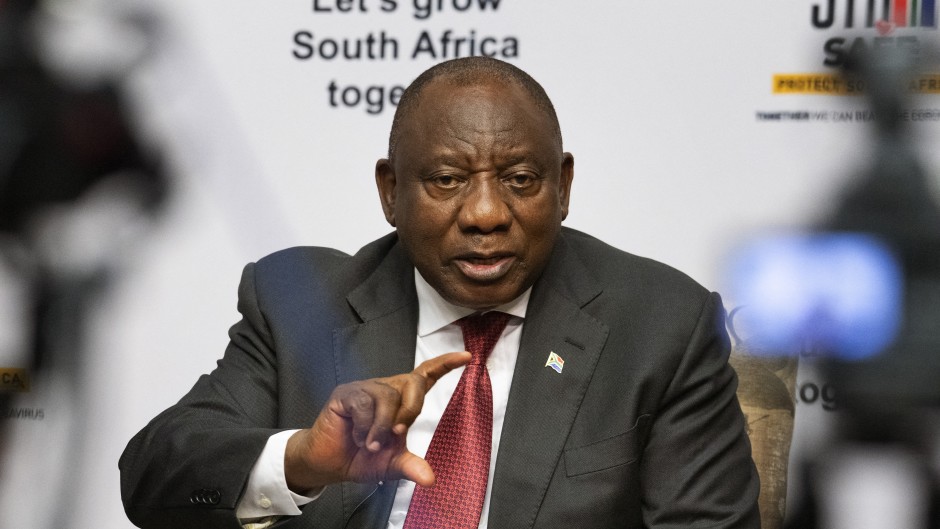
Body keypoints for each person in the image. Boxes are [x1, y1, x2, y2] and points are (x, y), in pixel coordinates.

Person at [120, 56, 760, 529]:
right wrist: (303, 460)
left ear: (563, 186)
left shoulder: (661, 325)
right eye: (448, 180)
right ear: (390, 192)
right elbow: (153, 474)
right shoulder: (301, 304)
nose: (486, 214)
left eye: (520, 179)